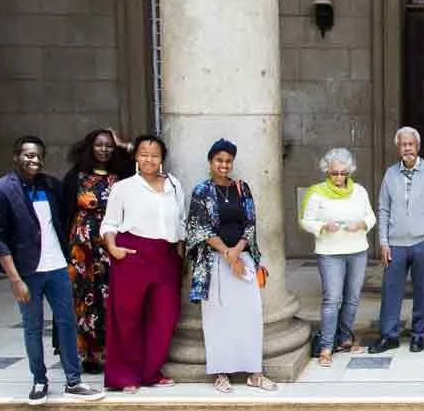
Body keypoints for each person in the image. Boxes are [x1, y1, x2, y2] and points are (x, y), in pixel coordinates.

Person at [0, 136, 105, 405]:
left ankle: (73, 381)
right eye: (28, 155)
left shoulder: (50, 186)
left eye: (38, 155)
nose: (34, 160)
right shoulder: (1, 190)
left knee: (67, 323)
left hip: (57, 266)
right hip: (28, 271)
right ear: (16, 156)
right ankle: (39, 380)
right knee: (32, 327)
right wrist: (15, 279)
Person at [185, 139, 277, 394]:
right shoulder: (201, 191)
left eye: (227, 161)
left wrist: (237, 252)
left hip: (242, 256)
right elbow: (200, 228)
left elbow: (250, 223)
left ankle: (254, 373)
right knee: (217, 318)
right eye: (219, 161)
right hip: (213, 261)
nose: (223, 165)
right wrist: (227, 253)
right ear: (211, 162)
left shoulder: (241, 188)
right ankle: (221, 373)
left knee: (250, 315)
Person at [100, 133, 186, 393]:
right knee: (127, 317)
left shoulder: (174, 184)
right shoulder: (123, 188)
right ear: (136, 157)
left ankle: (151, 371)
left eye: (155, 155)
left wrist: (181, 254)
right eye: (144, 154)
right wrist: (113, 248)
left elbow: (181, 222)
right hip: (132, 255)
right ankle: (124, 375)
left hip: (166, 256)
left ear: (162, 158)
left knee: (164, 316)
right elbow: (110, 223)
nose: (149, 159)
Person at [62, 128, 135, 374]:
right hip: (82, 248)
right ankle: (88, 355)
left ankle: (111, 351)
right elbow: (64, 213)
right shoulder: (76, 176)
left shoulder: (122, 175)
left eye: (109, 146)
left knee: (110, 297)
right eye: (99, 145)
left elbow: (147, 159)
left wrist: (124, 144)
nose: (104, 150)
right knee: (84, 299)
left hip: (110, 244)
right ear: (90, 147)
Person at [369, 127, 424, 354]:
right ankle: (388, 335)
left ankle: (418, 335)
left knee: (423, 290)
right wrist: (383, 241)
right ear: (398, 148)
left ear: (417, 146)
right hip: (395, 244)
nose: (407, 148)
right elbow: (383, 208)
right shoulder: (390, 174)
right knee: (391, 291)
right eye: (403, 145)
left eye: (411, 144)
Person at [300, 148, 376, 366]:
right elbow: (305, 221)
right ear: (327, 171)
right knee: (332, 299)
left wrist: (361, 224)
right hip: (330, 253)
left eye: (344, 173)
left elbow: (370, 216)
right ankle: (326, 346)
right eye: (335, 173)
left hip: (357, 250)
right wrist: (323, 225)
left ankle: (344, 339)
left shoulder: (359, 191)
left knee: (352, 298)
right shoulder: (316, 193)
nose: (340, 178)